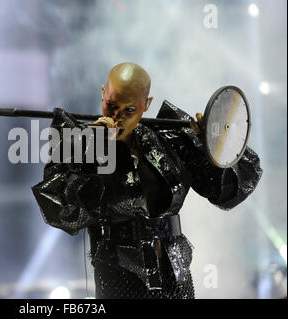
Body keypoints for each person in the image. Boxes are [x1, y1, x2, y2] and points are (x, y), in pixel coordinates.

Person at [31, 62, 263, 298]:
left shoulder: (170, 139)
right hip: (119, 278)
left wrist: (214, 143)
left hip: (175, 273)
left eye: (129, 110)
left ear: (147, 105)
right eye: (111, 105)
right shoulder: (79, 144)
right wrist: (90, 152)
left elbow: (231, 189)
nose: (116, 117)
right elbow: (59, 212)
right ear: (103, 92)